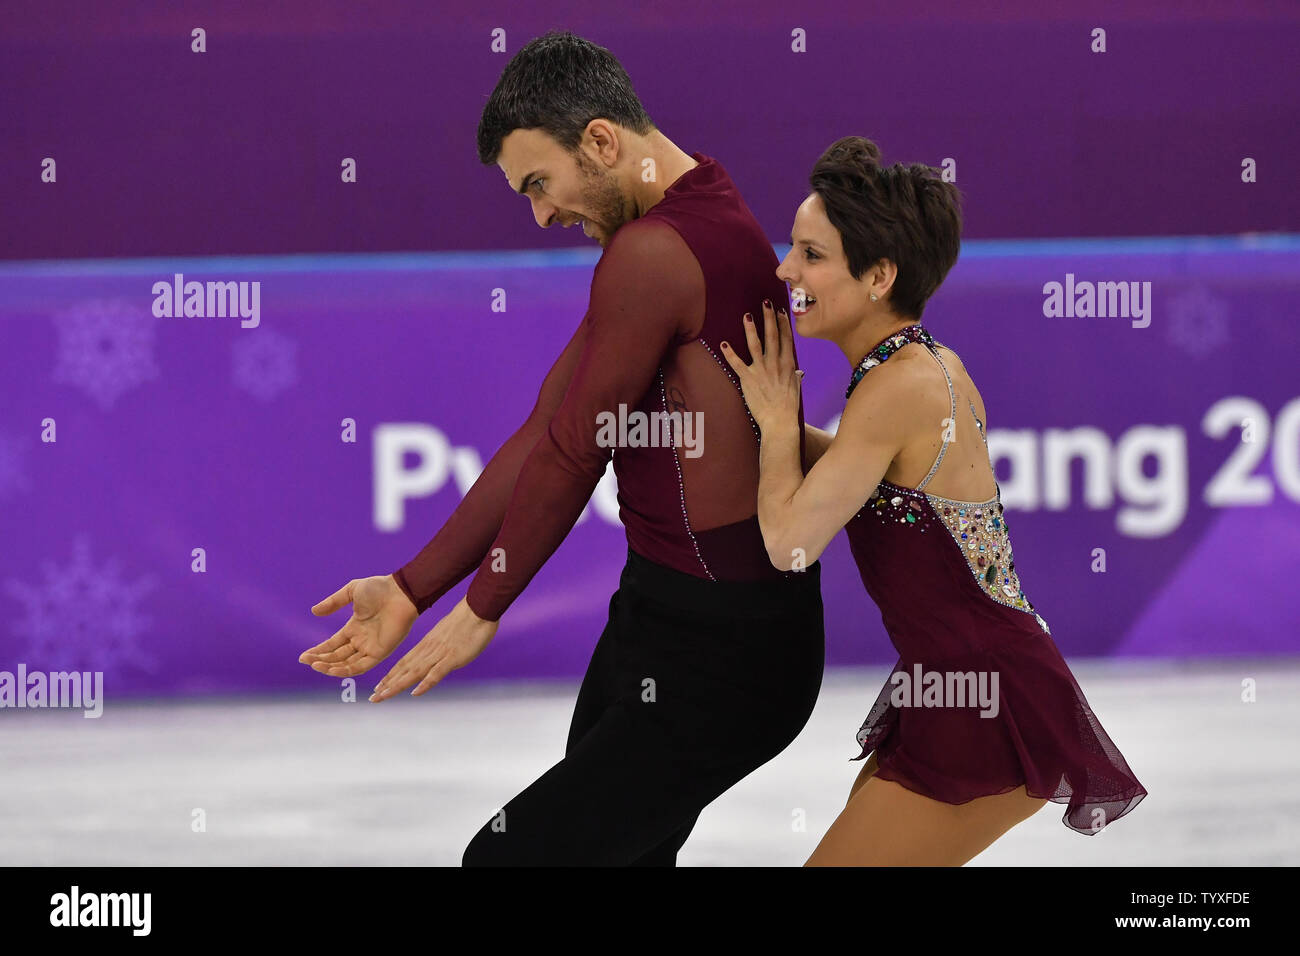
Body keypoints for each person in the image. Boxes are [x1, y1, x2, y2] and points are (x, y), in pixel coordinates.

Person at [299, 31, 827, 866]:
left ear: (603, 141)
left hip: (726, 652)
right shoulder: (691, 213)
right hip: (666, 620)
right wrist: (410, 587)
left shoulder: (654, 252)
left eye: (540, 184)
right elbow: (550, 430)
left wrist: (480, 608)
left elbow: (577, 456)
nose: (542, 214)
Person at [721, 136, 1147, 866]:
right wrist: (784, 429)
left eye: (811, 254)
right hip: (957, 681)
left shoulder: (901, 389)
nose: (785, 268)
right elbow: (868, 486)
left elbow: (789, 542)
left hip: (981, 698)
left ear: (879, 274)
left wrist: (771, 427)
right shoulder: (920, 367)